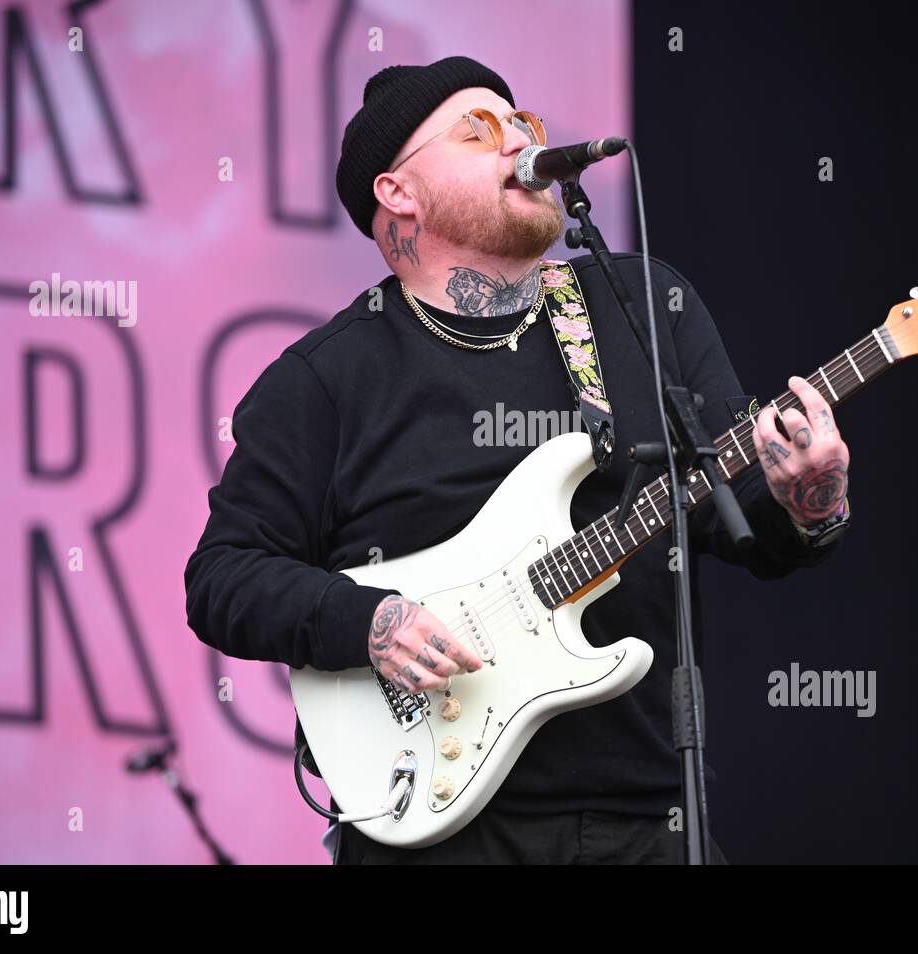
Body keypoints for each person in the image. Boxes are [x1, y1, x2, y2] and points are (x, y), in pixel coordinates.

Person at [184, 56, 852, 865]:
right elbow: (223, 578)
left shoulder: (641, 307)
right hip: (440, 829)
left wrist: (812, 498)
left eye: (522, 123)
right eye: (478, 131)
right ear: (398, 192)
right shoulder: (326, 378)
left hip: (649, 819)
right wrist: (372, 623)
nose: (520, 141)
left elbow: (737, 518)